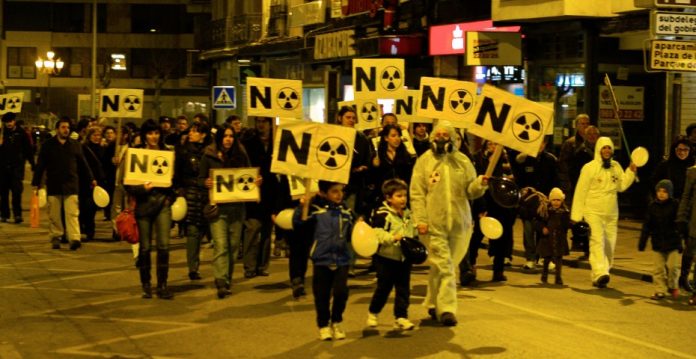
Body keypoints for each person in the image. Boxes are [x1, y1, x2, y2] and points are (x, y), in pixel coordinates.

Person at [410, 121, 487, 326]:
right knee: (446, 267)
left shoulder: (462, 161)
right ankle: (447, 309)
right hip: (433, 224)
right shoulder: (424, 162)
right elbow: (417, 193)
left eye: (446, 134)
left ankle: (432, 302)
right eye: (438, 134)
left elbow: (471, 190)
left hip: (460, 223)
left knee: (443, 265)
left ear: (453, 138)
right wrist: (420, 220)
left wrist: (480, 184)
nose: (441, 137)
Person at [571, 136, 637, 288]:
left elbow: (621, 186)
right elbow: (581, 191)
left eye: (609, 148)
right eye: (604, 148)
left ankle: (600, 275)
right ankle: (600, 271)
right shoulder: (589, 168)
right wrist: (576, 216)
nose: (606, 151)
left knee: (609, 245)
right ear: (598, 150)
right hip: (593, 211)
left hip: (611, 213)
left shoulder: (616, 166)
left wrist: (630, 172)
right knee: (597, 242)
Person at [293, 181, 354, 341]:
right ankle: (323, 325)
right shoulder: (315, 210)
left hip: (342, 258)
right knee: (322, 295)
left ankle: (337, 321)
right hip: (321, 258)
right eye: (334, 191)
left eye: (341, 191)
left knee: (341, 292)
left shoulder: (346, 210)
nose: (339, 194)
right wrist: (302, 207)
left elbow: (352, 231)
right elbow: (298, 223)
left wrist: (360, 223)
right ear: (323, 193)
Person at [126, 119, 176, 299]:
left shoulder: (167, 153)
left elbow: (175, 181)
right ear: (144, 135)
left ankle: (162, 284)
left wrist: (170, 197)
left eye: (156, 133)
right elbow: (128, 186)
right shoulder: (137, 155)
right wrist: (142, 189)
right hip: (143, 205)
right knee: (145, 247)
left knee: (164, 246)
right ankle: (146, 284)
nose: (153, 136)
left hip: (163, 203)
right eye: (150, 133)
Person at [200, 124, 251, 299]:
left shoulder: (241, 154)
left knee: (233, 246)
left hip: (237, 208)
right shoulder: (209, 156)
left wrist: (256, 182)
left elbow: (249, 176)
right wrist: (204, 183)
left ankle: (227, 278)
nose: (228, 139)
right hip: (218, 210)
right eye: (225, 136)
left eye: (231, 136)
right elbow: (199, 178)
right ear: (220, 138)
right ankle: (220, 281)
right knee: (221, 245)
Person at [32, 117, 95, 250]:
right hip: (54, 184)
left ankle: (74, 238)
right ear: (57, 129)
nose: (66, 130)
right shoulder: (48, 146)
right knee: (54, 214)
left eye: (67, 128)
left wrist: (91, 178)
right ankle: (56, 236)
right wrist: (36, 183)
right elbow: (41, 166)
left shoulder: (75, 145)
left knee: (72, 213)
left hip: (71, 184)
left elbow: (83, 164)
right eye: (63, 127)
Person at [366, 179, 416, 331]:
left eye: (404, 196)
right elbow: (377, 232)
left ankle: (401, 316)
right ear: (388, 198)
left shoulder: (408, 214)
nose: (403, 199)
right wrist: (392, 238)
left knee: (403, 289)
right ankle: (373, 312)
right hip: (386, 258)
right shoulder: (382, 214)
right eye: (398, 196)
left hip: (403, 258)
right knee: (384, 288)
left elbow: (412, 232)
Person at [511, 136, 559, 269]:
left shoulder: (550, 160)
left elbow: (555, 181)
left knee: (543, 231)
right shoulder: (524, 159)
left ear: (545, 144)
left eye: (542, 143)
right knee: (528, 230)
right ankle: (530, 258)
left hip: (544, 203)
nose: (540, 145)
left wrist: (554, 198)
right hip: (527, 203)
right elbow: (518, 179)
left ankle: (542, 257)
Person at [473, 140, 516, 280]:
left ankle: (498, 271)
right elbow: (477, 183)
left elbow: (510, 181)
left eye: (496, 144)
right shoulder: (479, 158)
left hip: (501, 204)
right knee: (477, 235)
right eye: (490, 144)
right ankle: (470, 266)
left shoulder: (505, 159)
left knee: (501, 238)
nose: (493, 146)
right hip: (485, 202)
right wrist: (480, 206)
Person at [175, 122, 212, 281]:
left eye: (195, 131)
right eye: (190, 131)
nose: (191, 133)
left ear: (203, 134)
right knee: (192, 232)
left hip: (207, 196)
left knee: (205, 231)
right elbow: (179, 176)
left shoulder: (210, 152)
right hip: (191, 195)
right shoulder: (183, 152)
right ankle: (193, 267)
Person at [240, 117, 276, 278]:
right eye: (258, 121)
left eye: (264, 121)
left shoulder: (277, 142)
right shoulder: (248, 142)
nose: (261, 124)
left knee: (267, 232)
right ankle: (249, 266)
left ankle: (262, 265)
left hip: (270, 193)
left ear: (270, 123)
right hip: (252, 191)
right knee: (252, 229)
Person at [640, 180, 682, 300]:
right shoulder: (652, 206)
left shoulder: (675, 205)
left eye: (664, 191)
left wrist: (680, 239)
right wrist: (643, 241)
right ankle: (659, 290)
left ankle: (673, 285)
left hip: (673, 242)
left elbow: (680, 223)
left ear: (669, 193)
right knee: (658, 269)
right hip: (658, 242)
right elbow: (647, 225)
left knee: (673, 267)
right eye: (659, 191)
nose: (661, 194)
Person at [0, 112, 35, 224]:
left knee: (16, 192)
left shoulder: (21, 133)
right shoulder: (1, 133)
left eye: (10, 121)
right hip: (2, 168)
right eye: (7, 122)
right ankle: (4, 214)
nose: (9, 124)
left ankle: (17, 214)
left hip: (16, 167)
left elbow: (28, 150)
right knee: (3, 193)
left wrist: (33, 164)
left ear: (14, 121)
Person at [536, 188, 570, 285]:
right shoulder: (545, 211)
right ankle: (544, 274)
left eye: (558, 200)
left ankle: (558, 277)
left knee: (559, 258)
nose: (556, 202)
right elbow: (538, 221)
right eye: (554, 200)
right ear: (550, 200)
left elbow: (566, 224)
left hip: (560, 238)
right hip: (548, 238)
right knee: (547, 258)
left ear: (561, 201)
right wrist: (542, 228)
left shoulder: (564, 212)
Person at [80, 126, 106, 242]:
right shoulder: (84, 148)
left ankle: (89, 230)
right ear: (89, 136)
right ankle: (87, 230)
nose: (97, 137)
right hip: (86, 182)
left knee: (92, 208)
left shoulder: (102, 148)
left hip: (98, 182)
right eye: (94, 135)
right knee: (86, 207)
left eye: (99, 135)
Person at [559, 114, 591, 204]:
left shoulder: (595, 141)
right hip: (575, 178)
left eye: (587, 123)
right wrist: (567, 179)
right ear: (577, 125)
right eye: (582, 123)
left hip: (591, 178)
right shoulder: (570, 143)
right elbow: (562, 162)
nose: (585, 126)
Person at [677, 165, 696, 305]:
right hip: (694, 221)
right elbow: (686, 195)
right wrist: (681, 216)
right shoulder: (693, 171)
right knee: (690, 249)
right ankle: (683, 278)